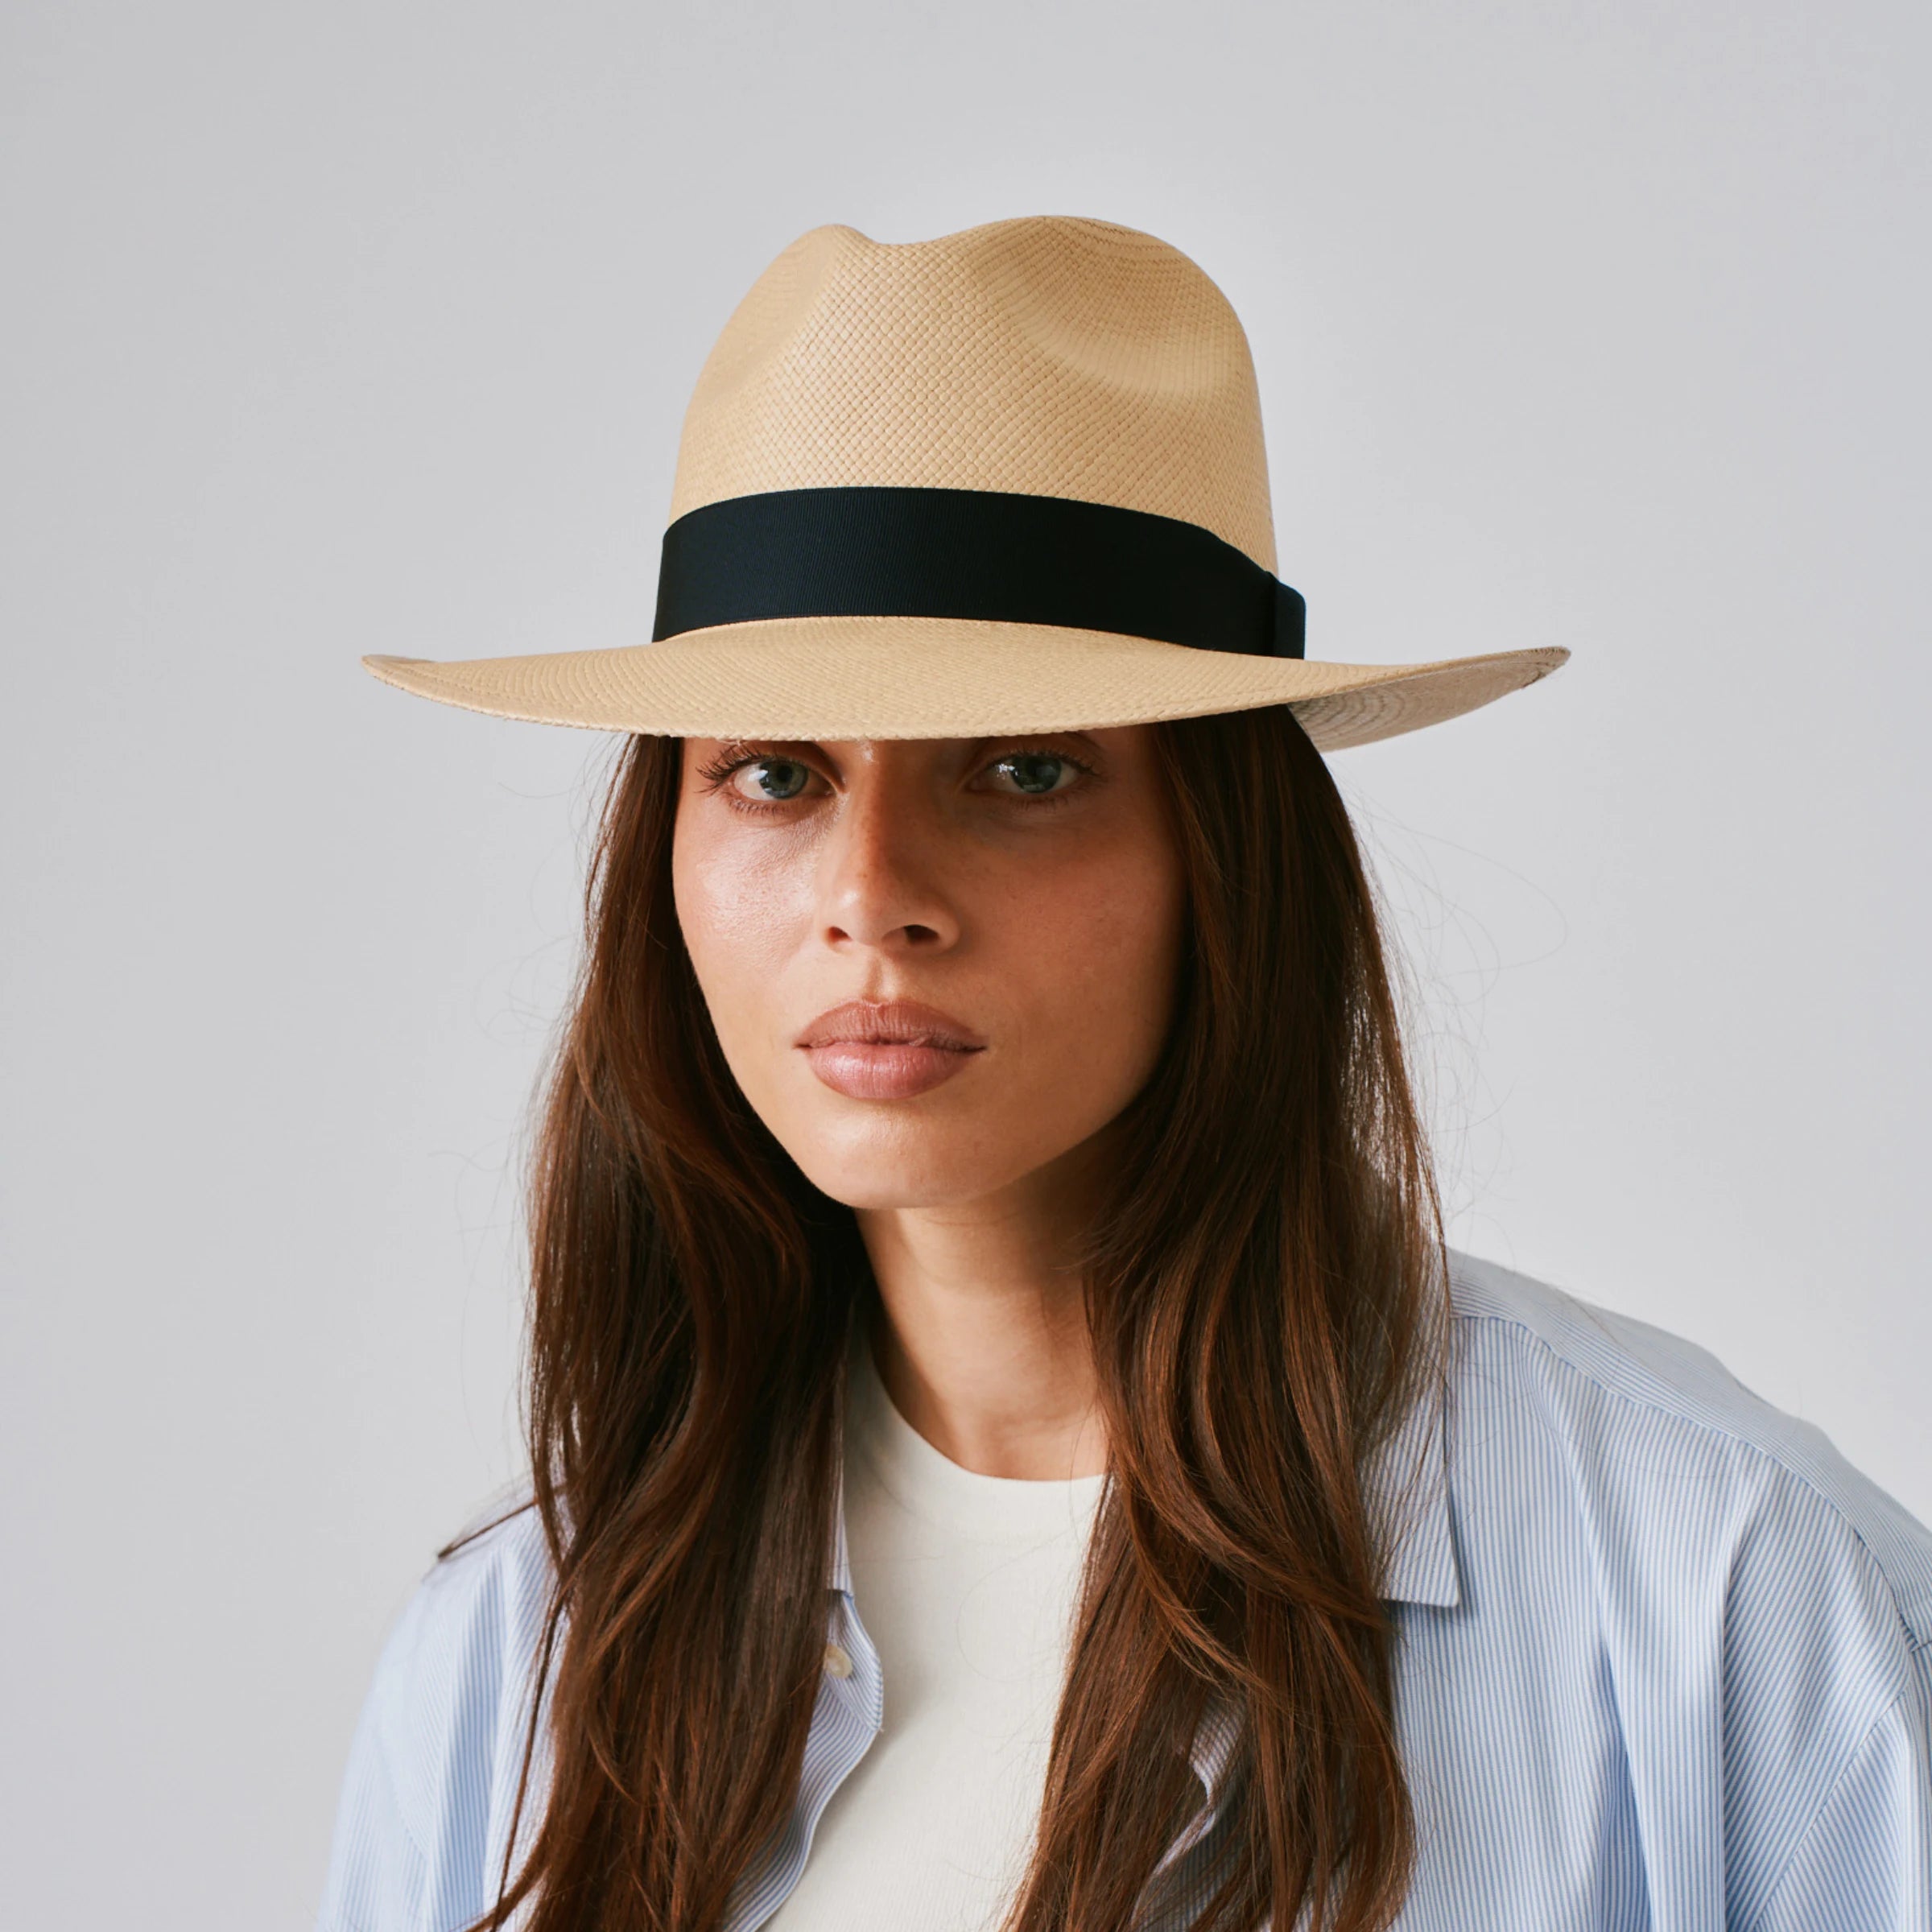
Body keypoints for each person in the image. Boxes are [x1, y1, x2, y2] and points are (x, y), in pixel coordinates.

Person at [317, 217, 1931, 1932]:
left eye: (1022, 767)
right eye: (778, 774)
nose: (873, 897)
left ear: (1221, 852)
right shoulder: (519, 1663)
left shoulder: (1724, 1600)